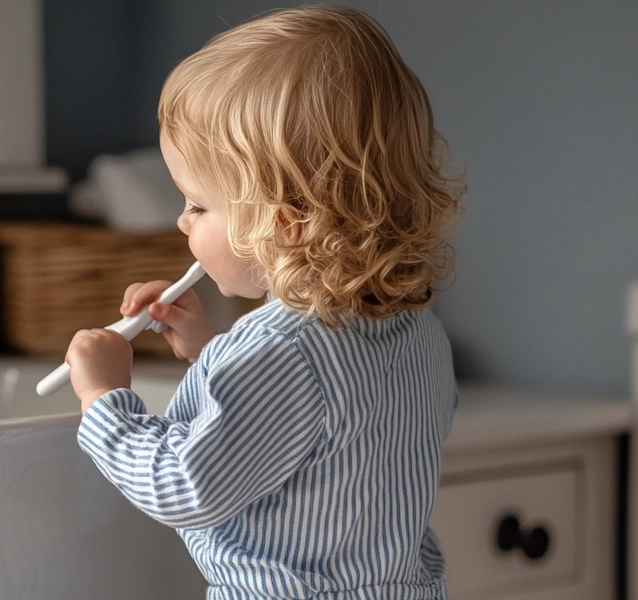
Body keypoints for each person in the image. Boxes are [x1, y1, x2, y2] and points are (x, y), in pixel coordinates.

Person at [65, 5, 464, 599]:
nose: (181, 222)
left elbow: (183, 487)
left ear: (281, 225)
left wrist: (105, 398)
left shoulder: (281, 350)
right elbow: (324, 438)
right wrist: (211, 354)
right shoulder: (414, 328)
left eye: (198, 205)